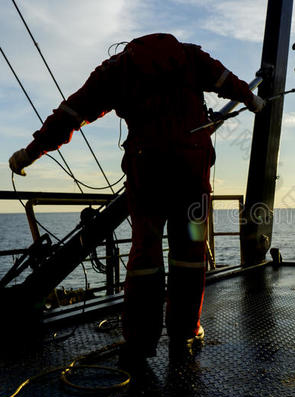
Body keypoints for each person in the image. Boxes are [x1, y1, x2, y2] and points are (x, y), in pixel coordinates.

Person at [8, 33, 265, 362]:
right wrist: (252, 101)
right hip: (192, 171)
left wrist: (30, 152)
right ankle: (185, 333)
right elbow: (226, 80)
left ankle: (141, 343)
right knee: (190, 251)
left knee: (145, 253)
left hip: (147, 173)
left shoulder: (116, 69)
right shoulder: (189, 56)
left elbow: (71, 114)